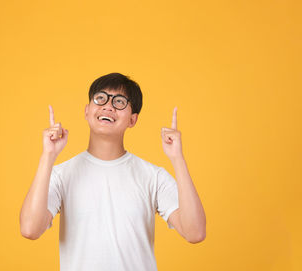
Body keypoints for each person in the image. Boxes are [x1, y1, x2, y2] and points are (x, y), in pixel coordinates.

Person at [20, 72, 206, 271]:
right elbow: (30, 229)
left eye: (119, 102)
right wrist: (48, 156)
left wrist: (177, 158)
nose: (108, 106)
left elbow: (194, 232)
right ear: (86, 110)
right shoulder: (62, 174)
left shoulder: (153, 176)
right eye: (100, 98)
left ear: (132, 120)